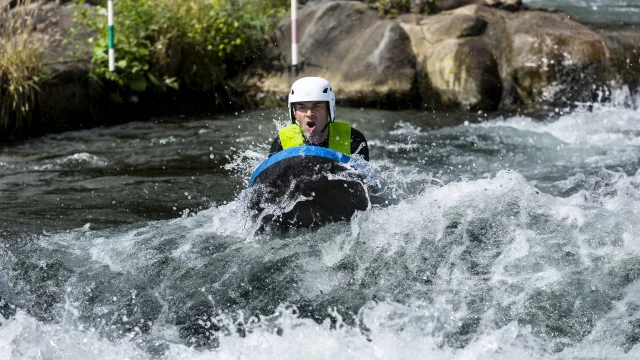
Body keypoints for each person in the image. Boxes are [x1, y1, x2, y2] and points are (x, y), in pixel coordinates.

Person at [268, 77, 369, 161]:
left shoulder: (353, 138)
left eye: (317, 106)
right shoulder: (281, 142)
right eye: (302, 107)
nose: (309, 113)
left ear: (329, 110)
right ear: (294, 111)